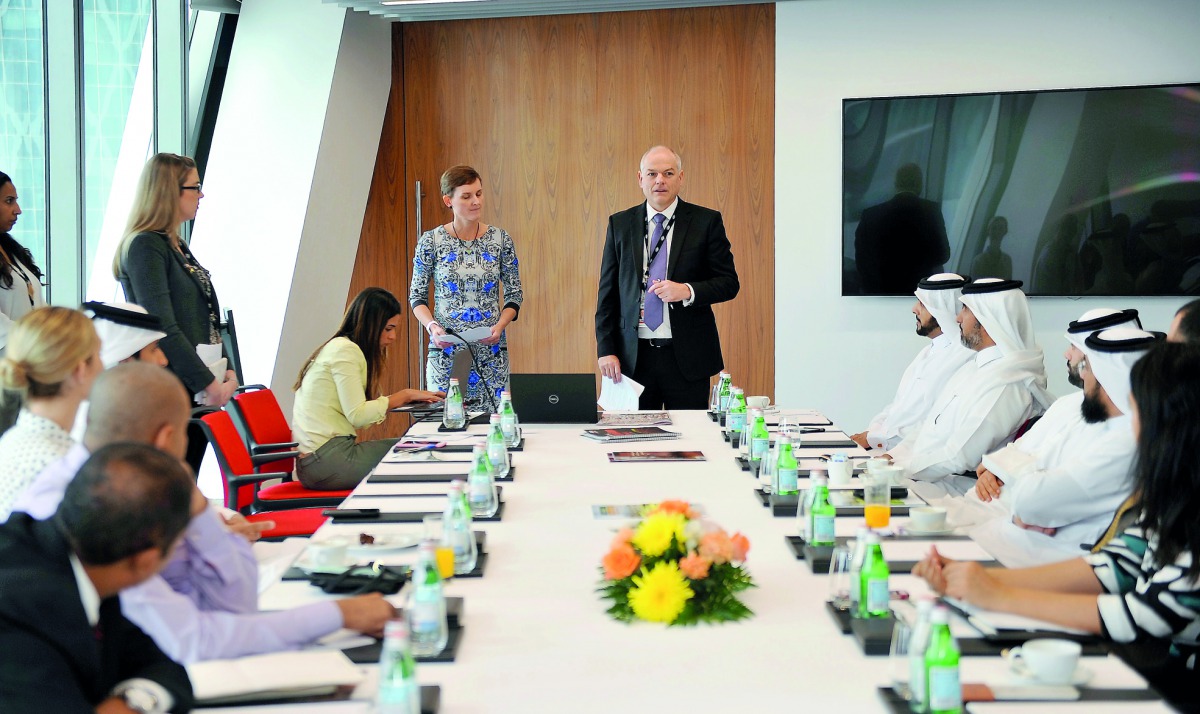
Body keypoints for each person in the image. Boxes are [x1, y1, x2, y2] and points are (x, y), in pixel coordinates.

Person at [14, 362, 399, 663]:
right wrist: (336, 615)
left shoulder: (143, 478)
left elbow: (236, 605)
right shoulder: (84, 505)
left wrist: (198, 512)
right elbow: (193, 640)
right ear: (166, 438)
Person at [914, 342, 1200, 710]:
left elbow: (1144, 618)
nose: (1132, 424)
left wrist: (997, 595)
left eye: (1139, 410)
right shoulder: (1176, 498)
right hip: (1146, 668)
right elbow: (1114, 567)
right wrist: (971, 578)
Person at [0, 442, 195, 713]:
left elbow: (162, 667)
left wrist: (131, 703)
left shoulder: (85, 566)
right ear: (146, 561)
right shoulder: (18, 608)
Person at [973, 323, 1158, 550]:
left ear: (1108, 379)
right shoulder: (1094, 415)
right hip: (1024, 527)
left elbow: (1030, 501)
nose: (1082, 375)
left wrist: (1027, 492)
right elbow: (1028, 468)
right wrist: (1029, 484)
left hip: (1056, 552)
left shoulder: (1126, 443)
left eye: (1087, 368)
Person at [595, 145, 740, 409]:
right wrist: (606, 349)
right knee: (635, 443)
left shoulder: (705, 222)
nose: (660, 180)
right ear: (640, 179)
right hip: (633, 358)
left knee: (691, 440)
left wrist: (687, 290)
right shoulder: (620, 224)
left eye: (668, 173)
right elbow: (607, 294)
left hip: (687, 356)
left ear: (681, 178)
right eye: (652, 174)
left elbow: (729, 283)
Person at [885, 278, 1053, 497]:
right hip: (923, 474)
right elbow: (929, 426)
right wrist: (893, 458)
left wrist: (898, 470)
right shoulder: (974, 366)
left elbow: (959, 456)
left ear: (987, 320)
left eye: (965, 310)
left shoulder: (1008, 384)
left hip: (955, 487)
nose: (957, 318)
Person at [113, 153, 237, 408]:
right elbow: (163, 325)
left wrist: (228, 370)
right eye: (196, 187)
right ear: (170, 191)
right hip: (173, 386)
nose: (201, 195)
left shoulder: (175, 243)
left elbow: (207, 316)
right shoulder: (146, 246)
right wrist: (205, 382)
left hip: (197, 382)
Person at [294, 287, 443, 491]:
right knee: (424, 451)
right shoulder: (346, 351)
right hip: (326, 463)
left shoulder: (340, 347)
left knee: (418, 446)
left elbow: (357, 412)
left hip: (320, 460)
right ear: (369, 325)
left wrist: (405, 398)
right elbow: (358, 415)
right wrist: (404, 395)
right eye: (388, 328)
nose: (393, 337)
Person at [409, 165, 524, 410]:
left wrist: (500, 325)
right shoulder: (431, 241)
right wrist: (432, 326)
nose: (476, 201)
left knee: (494, 425)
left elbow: (515, 294)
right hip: (446, 352)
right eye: (467, 196)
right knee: (447, 423)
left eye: (479, 194)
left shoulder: (500, 240)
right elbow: (417, 296)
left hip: (491, 353)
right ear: (448, 200)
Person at [850, 273, 973, 451]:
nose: (914, 309)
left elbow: (934, 423)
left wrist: (874, 438)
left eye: (923, 304)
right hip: (885, 447)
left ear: (942, 310)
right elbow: (896, 408)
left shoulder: (964, 359)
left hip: (913, 458)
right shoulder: (926, 353)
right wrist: (871, 433)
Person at [0, 307, 102, 520]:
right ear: (79, 370)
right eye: (98, 355)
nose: (103, 365)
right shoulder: (61, 466)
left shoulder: (13, 440)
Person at [854, 163, 950, 295]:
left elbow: (861, 260)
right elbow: (943, 255)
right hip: (919, 294)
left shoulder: (870, 215)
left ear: (896, 184)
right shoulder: (931, 211)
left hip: (880, 294)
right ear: (920, 184)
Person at [0, 170, 46, 434]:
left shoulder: (12, 250)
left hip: (28, 365)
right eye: (8, 201)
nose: (18, 210)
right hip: (8, 367)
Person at [969, 216, 1013, 280]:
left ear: (1005, 231)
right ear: (988, 231)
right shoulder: (978, 261)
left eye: (1000, 228)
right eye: (994, 228)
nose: (997, 232)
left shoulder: (1007, 261)